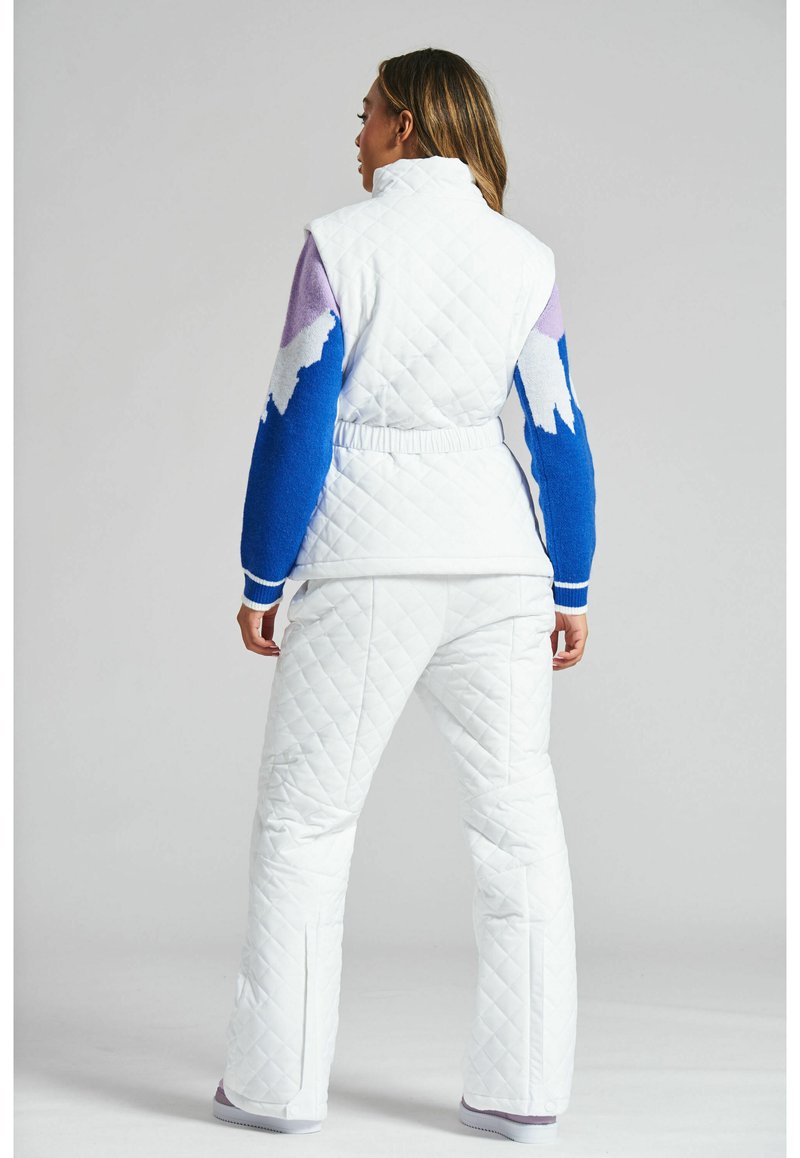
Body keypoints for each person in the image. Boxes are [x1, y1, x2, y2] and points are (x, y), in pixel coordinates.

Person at [211, 47, 596, 1145]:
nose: (357, 133)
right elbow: (557, 428)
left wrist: (262, 573)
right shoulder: (524, 256)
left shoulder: (341, 242)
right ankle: (524, 1091)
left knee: (305, 823)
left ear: (408, 125)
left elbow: (297, 418)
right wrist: (569, 580)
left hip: (366, 562)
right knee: (518, 831)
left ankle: (276, 1088)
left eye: (368, 113)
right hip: (501, 569)